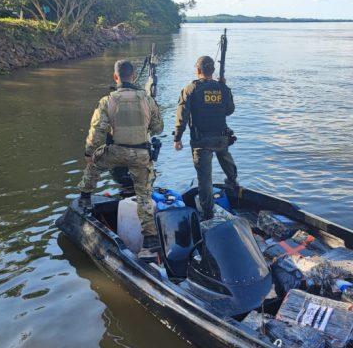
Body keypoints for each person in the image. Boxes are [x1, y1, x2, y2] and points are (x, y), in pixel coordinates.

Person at [78, 59, 163, 246]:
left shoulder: (107, 100)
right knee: (144, 195)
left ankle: (84, 197)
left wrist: (89, 153)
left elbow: (97, 131)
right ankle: (150, 238)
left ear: (116, 76)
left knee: (94, 162)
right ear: (133, 76)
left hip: (116, 152)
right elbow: (158, 128)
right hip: (141, 155)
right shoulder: (147, 99)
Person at [173, 55, 238, 220]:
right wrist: (224, 87)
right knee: (225, 157)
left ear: (198, 70)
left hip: (201, 141)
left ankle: (208, 214)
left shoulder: (190, 89)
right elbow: (230, 110)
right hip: (221, 137)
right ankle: (233, 183)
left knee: (205, 180)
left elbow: (183, 116)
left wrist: (177, 138)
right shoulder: (223, 88)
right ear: (213, 71)